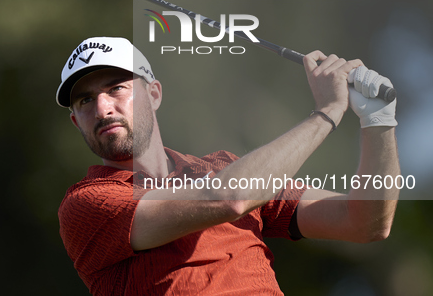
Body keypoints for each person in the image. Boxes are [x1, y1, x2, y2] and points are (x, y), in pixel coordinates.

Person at [56, 36, 399, 295]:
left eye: (116, 88)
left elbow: (364, 221)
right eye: (85, 100)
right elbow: (229, 198)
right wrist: (327, 112)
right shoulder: (88, 204)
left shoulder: (221, 168)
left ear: (155, 94)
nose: (102, 109)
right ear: (75, 121)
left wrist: (378, 120)